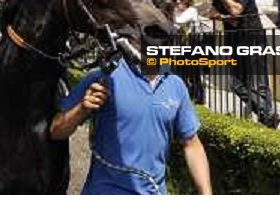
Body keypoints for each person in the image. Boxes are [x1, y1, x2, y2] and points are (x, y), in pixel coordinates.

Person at [50, 55, 212, 195]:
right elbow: (55, 131)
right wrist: (81, 109)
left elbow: (192, 144)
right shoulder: (103, 77)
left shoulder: (175, 84)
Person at [209, 0, 280, 128]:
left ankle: (267, 120)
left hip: (253, 38)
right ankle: (267, 114)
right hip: (234, 41)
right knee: (236, 83)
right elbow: (211, 12)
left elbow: (236, 11)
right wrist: (224, 16)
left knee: (259, 82)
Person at [170, 0, 205, 104]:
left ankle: (199, 97)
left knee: (194, 72)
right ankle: (186, 96)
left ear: (187, 0)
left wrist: (172, 19)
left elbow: (180, 21)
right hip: (181, 45)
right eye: (176, 0)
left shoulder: (192, 11)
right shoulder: (175, 12)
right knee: (181, 71)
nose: (178, 2)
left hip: (193, 44)